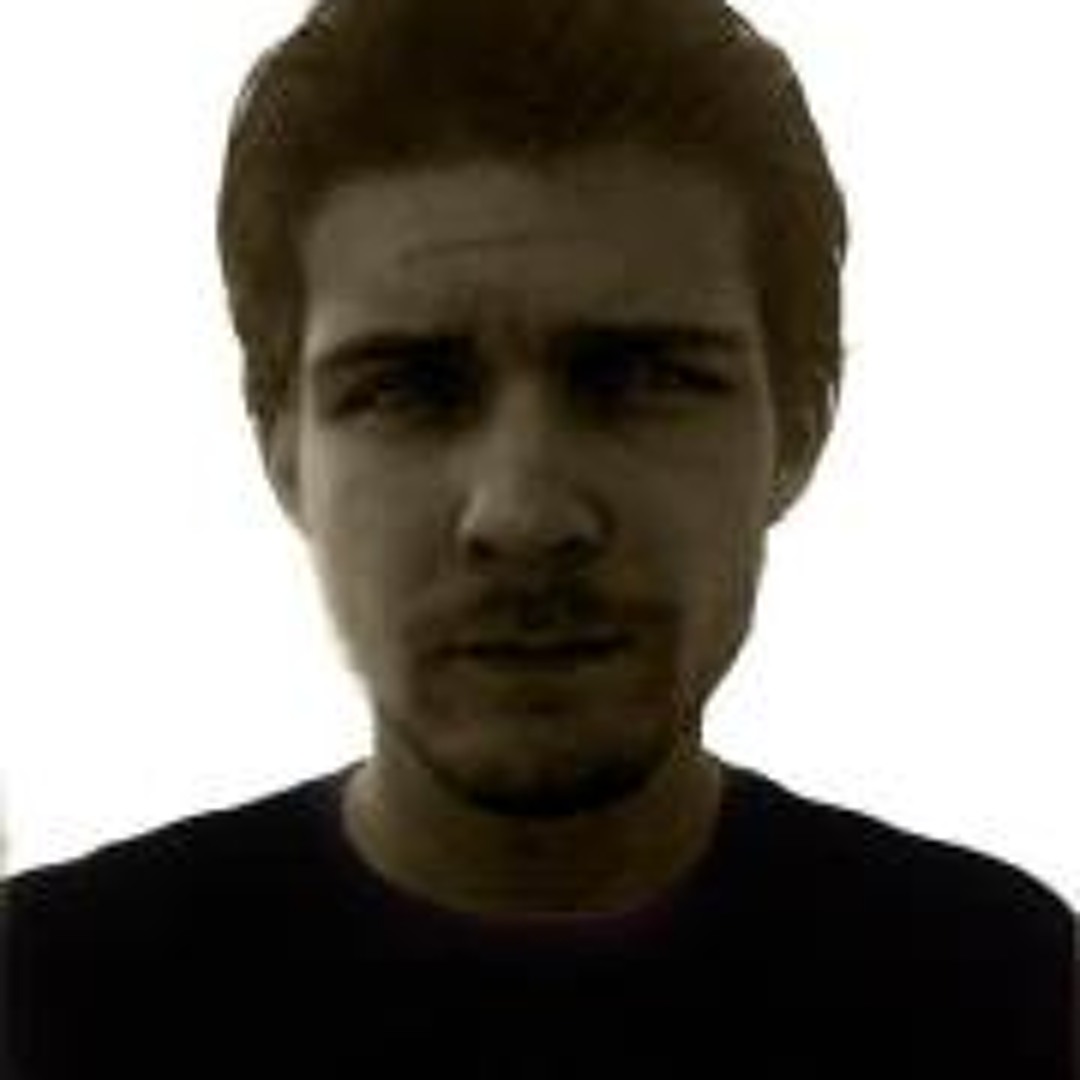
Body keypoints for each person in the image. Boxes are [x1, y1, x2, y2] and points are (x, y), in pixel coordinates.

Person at [3, 1, 1076, 1076]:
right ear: (281, 449)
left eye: (643, 377)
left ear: (800, 426)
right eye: (407, 389)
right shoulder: (48, 997)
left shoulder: (1002, 992)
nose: (523, 515)